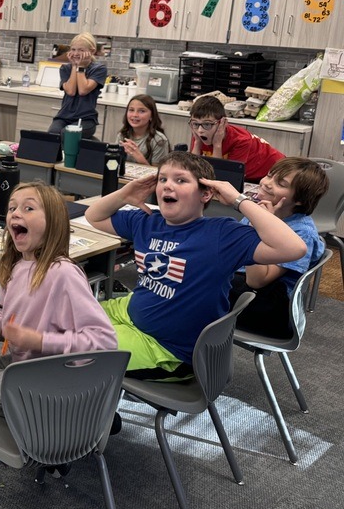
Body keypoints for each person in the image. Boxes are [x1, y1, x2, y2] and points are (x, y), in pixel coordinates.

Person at [85, 151, 305, 379]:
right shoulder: (148, 220)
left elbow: (294, 248)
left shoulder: (221, 234)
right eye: (162, 179)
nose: (168, 186)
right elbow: (94, 216)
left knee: (70, 349)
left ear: (206, 193)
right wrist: (124, 194)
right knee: (65, 318)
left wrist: (239, 201)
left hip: (165, 349)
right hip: (131, 313)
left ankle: (94, 410)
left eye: (180, 180)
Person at [0, 182, 117, 415]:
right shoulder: (16, 266)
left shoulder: (63, 273)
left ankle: (60, 414)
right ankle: (51, 414)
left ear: (53, 222)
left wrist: (40, 341)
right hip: (26, 367)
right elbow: (6, 309)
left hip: (51, 381)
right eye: (12, 208)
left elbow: (105, 341)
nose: (16, 213)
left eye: (28, 208)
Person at [229, 157, 328, 338]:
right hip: (242, 290)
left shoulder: (301, 234)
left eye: (280, 183)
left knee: (189, 298)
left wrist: (258, 228)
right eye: (269, 175)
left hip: (268, 308)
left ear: (299, 199)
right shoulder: (259, 211)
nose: (267, 183)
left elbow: (256, 281)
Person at [188, 95, 284, 181]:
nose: (200, 130)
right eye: (195, 123)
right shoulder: (200, 133)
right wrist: (197, 142)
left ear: (222, 123)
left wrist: (217, 144)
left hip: (275, 170)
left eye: (207, 124)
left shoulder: (241, 140)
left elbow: (220, 178)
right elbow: (193, 171)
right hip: (247, 175)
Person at [48, 32, 106, 138]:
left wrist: (81, 67)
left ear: (92, 51)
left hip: (85, 119)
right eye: (73, 49)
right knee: (52, 134)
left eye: (81, 50)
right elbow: (71, 91)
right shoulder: (65, 68)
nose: (76, 53)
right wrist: (75, 66)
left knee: (68, 135)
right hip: (64, 117)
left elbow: (83, 90)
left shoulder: (99, 69)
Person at [117, 93, 171, 166]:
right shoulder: (122, 135)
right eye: (131, 110)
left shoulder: (159, 140)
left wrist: (138, 157)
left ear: (151, 116)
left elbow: (157, 175)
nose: (135, 115)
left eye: (142, 111)